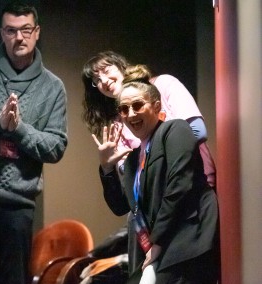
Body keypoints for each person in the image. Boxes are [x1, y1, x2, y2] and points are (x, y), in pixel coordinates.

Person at [0, 1, 68, 284]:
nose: (18, 37)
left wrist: (18, 128)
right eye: (11, 31)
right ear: (2, 33)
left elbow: (56, 146)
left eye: (25, 30)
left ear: (36, 32)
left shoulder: (53, 87)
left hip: (17, 200)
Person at [92, 68, 220, 284]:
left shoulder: (176, 130)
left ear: (157, 106)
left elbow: (179, 186)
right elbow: (121, 206)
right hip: (159, 246)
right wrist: (107, 169)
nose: (130, 114)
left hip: (188, 240)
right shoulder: (133, 159)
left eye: (138, 105)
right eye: (124, 109)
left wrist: (157, 242)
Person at [82, 51, 216, 188]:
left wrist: (147, 160)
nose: (103, 81)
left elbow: (198, 131)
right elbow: (128, 170)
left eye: (106, 70)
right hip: (155, 196)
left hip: (194, 183)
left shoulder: (164, 84)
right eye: (97, 80)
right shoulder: (118, 123)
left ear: (120, 66)